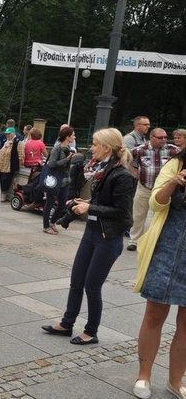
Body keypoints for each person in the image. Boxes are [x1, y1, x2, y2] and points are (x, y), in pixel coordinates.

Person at [41, 128, 135, 345]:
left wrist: (90, 207)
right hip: (91, 234)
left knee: (92, 286)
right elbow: (97, 204)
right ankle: (66, 324)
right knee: (76, 282)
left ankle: (91, 332)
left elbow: (123, 215)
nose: (91, 148)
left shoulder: (122, 175)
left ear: (107, 148)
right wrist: (80, 207)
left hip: (108, 238)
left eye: (94, 144)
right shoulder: (100, 171)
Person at [132, 149, 186, 399]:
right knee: (154, 315)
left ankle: (176, 382)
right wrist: (174, 183)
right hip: (165, 251)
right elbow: (155, 203)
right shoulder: (176, 164)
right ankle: (144, 375)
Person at [127, 127, 179, 252]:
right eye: (160, 137)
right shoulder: (140, 150)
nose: (164, 140)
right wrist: (134, 171)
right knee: (138, 215)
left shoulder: (173, 150)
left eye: (165, 137)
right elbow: (125, 159)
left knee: (159, 216)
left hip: (163, 190)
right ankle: (134, 240)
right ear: (151, 137)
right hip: (145, 187)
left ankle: (155, 241)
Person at [42, 125, 75, 235]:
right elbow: (51, 164)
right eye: (73, 135)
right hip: (55, 179)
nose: (74, 138)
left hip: (65, 180)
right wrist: (66, 160)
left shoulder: (69, 148)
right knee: (50, 203)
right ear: (67, 137)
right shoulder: (57, 147)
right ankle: (46, 226)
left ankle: (52, 222)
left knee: (62, 204)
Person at [0, 127, 25, 202]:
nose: (7, 135)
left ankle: (3, 195)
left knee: (5, 180)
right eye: (6, 134)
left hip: (9, 165)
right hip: (0, 164)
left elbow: (21, 155)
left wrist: (19, 164)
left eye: (9, 134)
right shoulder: (4, 141)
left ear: (13, 133)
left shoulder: (18, 142)